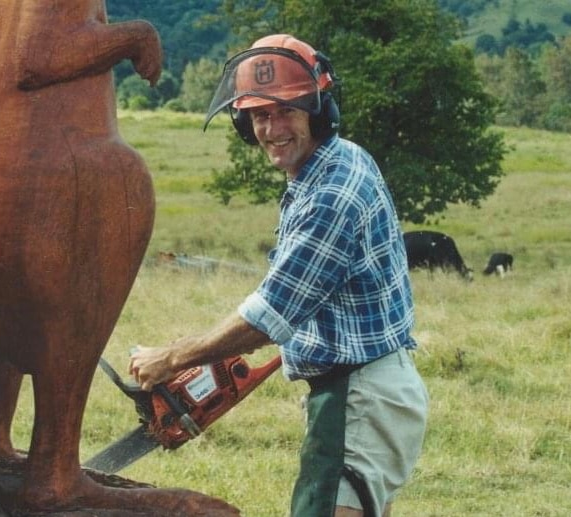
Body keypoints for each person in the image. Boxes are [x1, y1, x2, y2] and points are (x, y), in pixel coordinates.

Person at [129, 34, 429, 517]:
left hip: (359, 398)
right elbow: (300, 303)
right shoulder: (331, 165)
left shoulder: (331, 195)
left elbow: (270, 317)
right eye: (259, 116)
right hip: (360, 391)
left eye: (285, 111)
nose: (271, 128)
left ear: (317, 111)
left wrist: (171, 358)